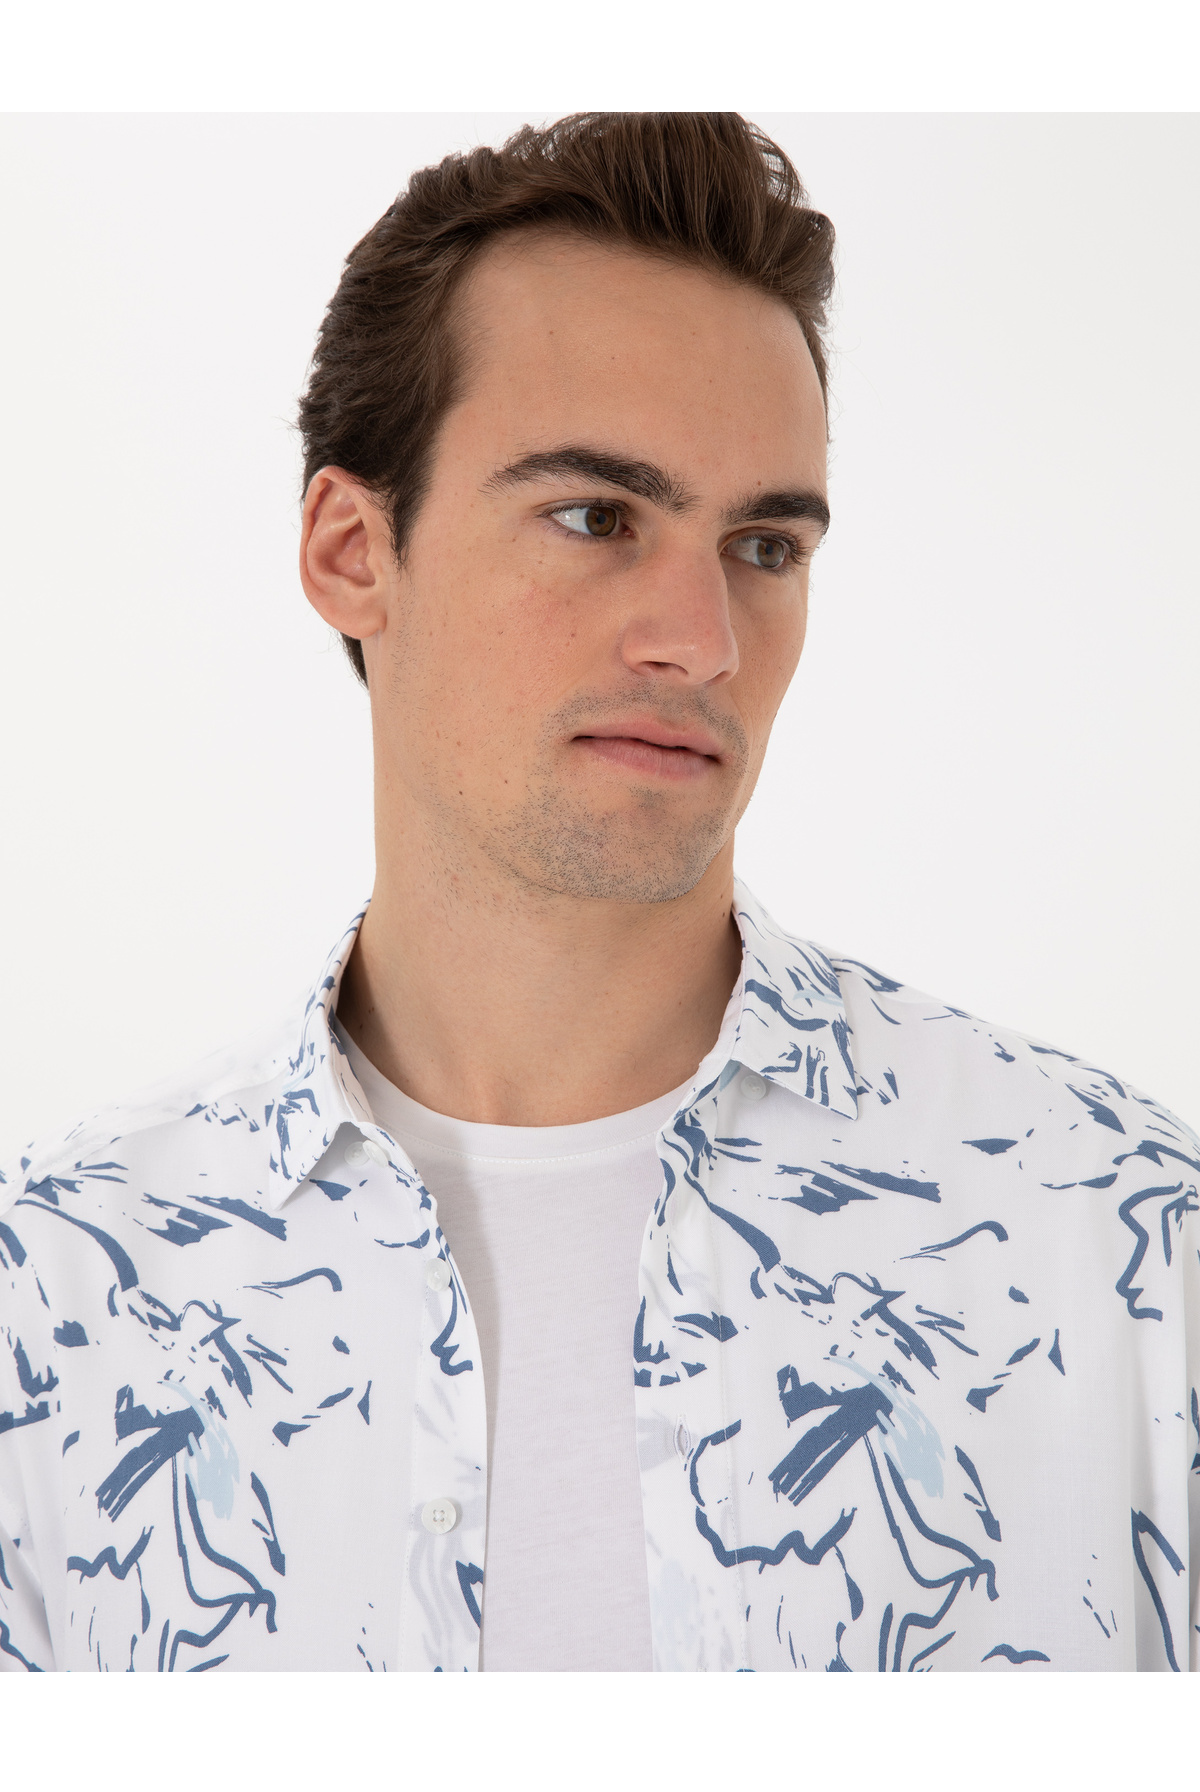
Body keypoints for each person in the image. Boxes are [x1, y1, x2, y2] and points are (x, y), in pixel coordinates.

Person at [1, 111, 1196, 1676]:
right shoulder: (61, 1299)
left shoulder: (1120, 1245)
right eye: (595, 518)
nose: (701, 639)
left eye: (764, 544)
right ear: (354, 551)